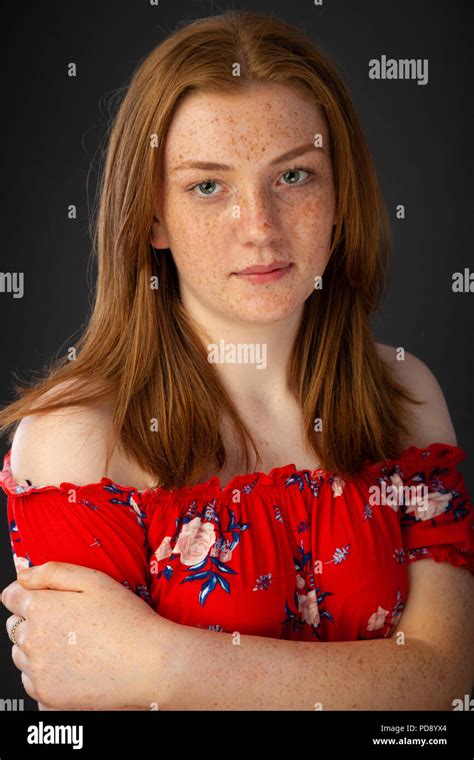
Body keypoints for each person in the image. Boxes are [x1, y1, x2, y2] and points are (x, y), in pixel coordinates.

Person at [0, 10, 473, 711]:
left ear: (341, 195)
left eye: (294, 176)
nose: (259, 228)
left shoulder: (404, 392)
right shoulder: (77, 442)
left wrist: (164, 663)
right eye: (207, 186)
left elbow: (442, 679)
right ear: (151, 217)